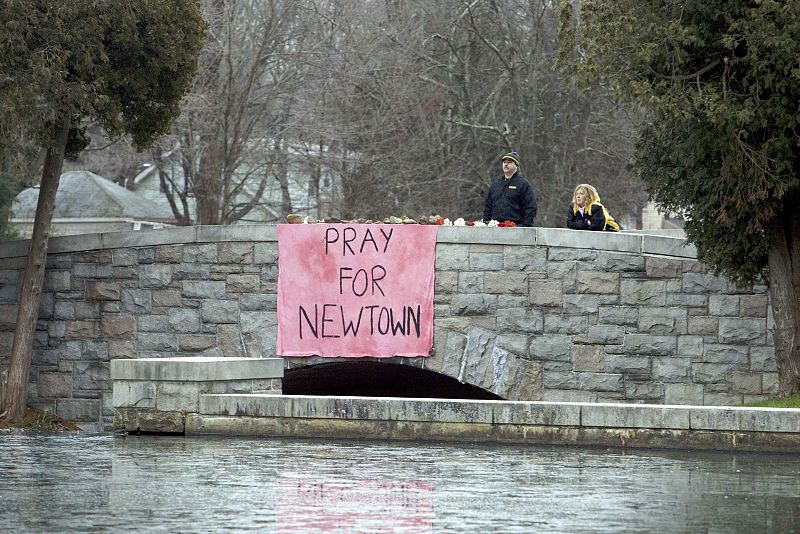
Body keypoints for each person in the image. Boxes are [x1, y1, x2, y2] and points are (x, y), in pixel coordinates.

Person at [483, 151, 537, 227]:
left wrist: (525, 226)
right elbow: (488, 206)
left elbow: (530, 207)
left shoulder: (523, 184)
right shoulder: (496, 184)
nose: (506, 164)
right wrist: (486, 223)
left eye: (509, 162)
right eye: (504, 162)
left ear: (516, 165)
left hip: (516, 227)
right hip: (495, 227)